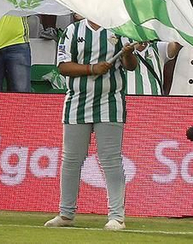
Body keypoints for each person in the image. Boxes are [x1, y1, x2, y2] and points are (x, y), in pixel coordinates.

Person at [45, 17, 139, 230]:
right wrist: (92, 69)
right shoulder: (72, 30)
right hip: (77, 101)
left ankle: (117, 216)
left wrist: (128, 53)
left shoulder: (119, 27)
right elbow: (63, 67)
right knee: (71, 160)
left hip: (110, 101)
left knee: (111, 160)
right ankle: (66, 213)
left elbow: (130, 66)